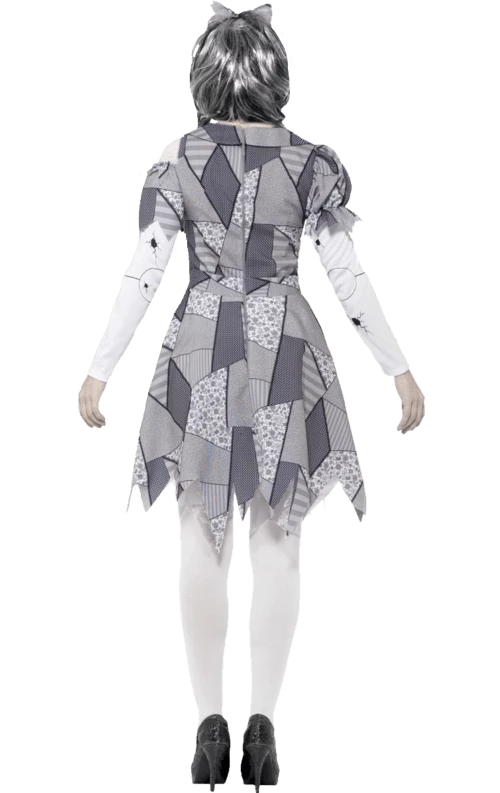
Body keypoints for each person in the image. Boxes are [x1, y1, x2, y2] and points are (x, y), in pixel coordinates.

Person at [78, 2, 424, 789]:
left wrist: (100, 366)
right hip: (283, 347)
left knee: (199, 531)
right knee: (277, 530)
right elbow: (348, 275)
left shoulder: (179, 159)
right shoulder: (309, 164)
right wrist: (398, 366)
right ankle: (263, 723)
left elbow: (144, 270)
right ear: (277, 76)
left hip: (204, 349)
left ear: (205, 76)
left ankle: (208, 721)